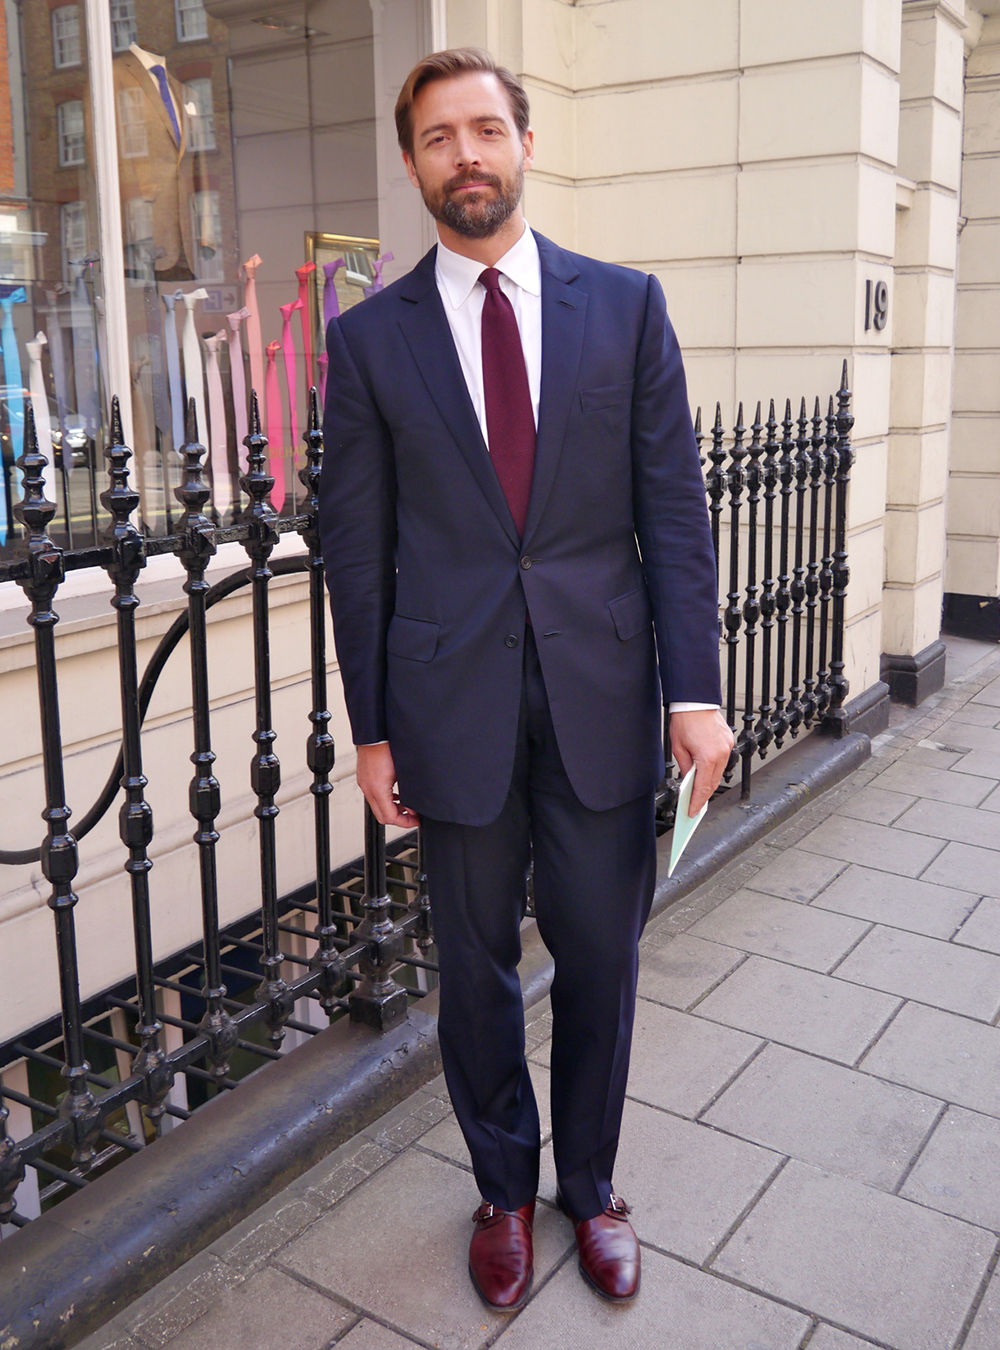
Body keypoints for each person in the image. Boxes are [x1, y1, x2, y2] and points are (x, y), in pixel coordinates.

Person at [319, 47, 733, 1310]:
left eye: (484, 130)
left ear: (523, 143)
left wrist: (695, 691)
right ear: (411, 165)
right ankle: (503, 1186)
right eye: (438, 138)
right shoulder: (369, 342)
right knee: (477, 965)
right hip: (451, 707)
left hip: (605, 691)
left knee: (602, 955)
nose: (466, 156)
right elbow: (360, 548)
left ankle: (590, 1184)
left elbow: (672, 510)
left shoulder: (623, 306)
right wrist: (375, 731)